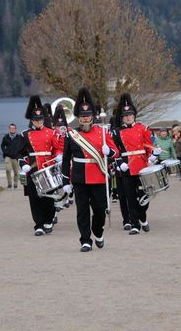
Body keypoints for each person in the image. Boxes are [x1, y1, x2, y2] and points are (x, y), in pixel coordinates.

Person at [62, 87, 119, 252]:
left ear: (93, 117)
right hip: (79, 178)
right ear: (78, 118)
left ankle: (98, 231)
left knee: (100, 210)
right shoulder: (71, 135)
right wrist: (66, 180)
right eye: (82, 116)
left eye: (88, 116)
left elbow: (116, 152)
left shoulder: (103, 132)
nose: (85, 119)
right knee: (82, 211)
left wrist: (109, 151)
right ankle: (85, 240)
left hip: (99, 176)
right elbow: (66, 160)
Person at [18, 95, 62, 236]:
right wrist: (24, 164)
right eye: (36, 119)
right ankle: (38, 224)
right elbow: (20, 153)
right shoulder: (24, 135)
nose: (38, 121)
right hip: (33, 168)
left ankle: (49, 220)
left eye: (40, 119)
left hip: (48, 167)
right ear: (32, 120)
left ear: (44, 119)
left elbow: (57, 148)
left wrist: (59, 155)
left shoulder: (51, 132)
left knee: (48, 197)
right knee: (34, 197)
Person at [111, 93, 153, 235]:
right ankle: (135, 224)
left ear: (134, 115)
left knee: (144, 195)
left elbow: (148, 147)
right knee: (130, 197)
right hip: (126, 166)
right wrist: (119, 162)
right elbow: (115, 151)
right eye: (125, 115)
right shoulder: (117, 132)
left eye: (130, 115)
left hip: (141, 165)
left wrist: (153, 155)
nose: (128, 117)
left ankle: (142, 216)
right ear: (122, 117)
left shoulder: (143, 128)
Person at [0, 123, 22, 188]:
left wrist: (19, 153)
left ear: (15, 129)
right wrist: (5, 151)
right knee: (8, 169)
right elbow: (2, 145)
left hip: (15, 157)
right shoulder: (5, 137)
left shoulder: (19, 137)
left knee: (16, 172)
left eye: (13, 128)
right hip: (8, 156)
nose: (12, 129)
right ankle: (9, 183)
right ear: (9, 129)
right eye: (11, 128)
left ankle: (15, 183)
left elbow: (22, 146)